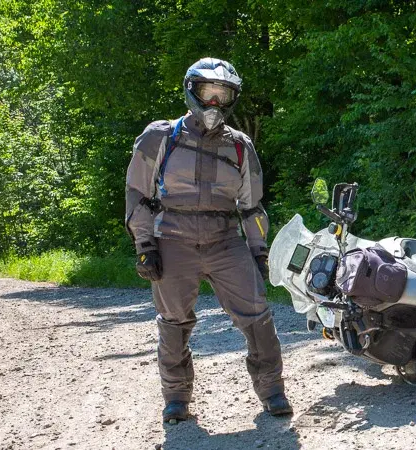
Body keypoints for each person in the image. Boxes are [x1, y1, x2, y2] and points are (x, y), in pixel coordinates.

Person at [125, 57, 292, 423]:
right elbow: (137, 193)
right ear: (191, 92)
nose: (214, 102)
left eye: (223, 94)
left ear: (232, 98)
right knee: (173, 320)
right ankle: (176, 399)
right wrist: (144, 246)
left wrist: (259, 252)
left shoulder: (240, 146)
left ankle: (273, 391)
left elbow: (251, 206)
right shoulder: (160, 137)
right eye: (207, 92)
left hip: (224, 240)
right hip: (172, 239)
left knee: (257, 314)